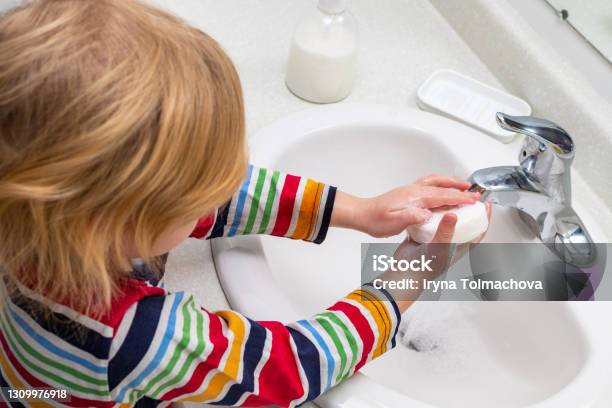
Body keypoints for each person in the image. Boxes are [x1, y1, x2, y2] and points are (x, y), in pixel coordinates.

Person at [0, 1, 488, 406]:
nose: (221, 191)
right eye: (196, 194)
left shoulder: (35, 212)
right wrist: (404, 283)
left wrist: (358, 210)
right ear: (112, 218)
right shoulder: (137, 340)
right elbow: (288, 366)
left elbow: (211, 196)